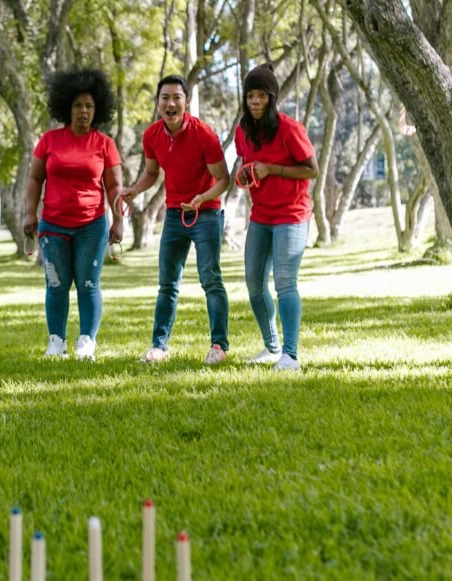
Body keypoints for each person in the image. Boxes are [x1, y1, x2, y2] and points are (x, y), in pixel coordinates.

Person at [117, 75, 231, 365]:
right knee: (167, 284)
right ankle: (159, 346)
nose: (170, 103)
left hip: (206, 213)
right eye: (164, 97)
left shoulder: (204, 134)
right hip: (174, 215)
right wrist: (133, 189)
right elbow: (152, 173)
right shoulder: (152, 135)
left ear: (186, 102)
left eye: (176, 97)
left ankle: (219, 346)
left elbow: (223, 179)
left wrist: (202, 198)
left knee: (211, 280)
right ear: (157, 103)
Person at [23, 68, 125, 361]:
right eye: (78, 105)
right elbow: (34, 179)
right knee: (56, 284)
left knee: (88, 283)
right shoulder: (49, 140)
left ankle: (86, 341)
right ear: (67, 107)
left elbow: (115, 185)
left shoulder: (104, 144)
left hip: (91, 226)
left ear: (97, 110)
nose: (83, 111)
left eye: (89, 106)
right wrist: (31, 213)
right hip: (53, 225)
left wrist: (118, 221)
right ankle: (56, 342)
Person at [235, 64, 319, 371]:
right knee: (254, 284)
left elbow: (312, 169)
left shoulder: (290, 129)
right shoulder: (242, 131)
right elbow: (247, 166)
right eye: (250, 96)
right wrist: (245, 175)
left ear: (272, 98)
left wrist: (272, 169)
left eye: (261, 96)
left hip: (292, 214)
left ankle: (290, 355)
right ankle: (272, 347)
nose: (255, 101)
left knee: (285, 282)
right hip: (261, 215)